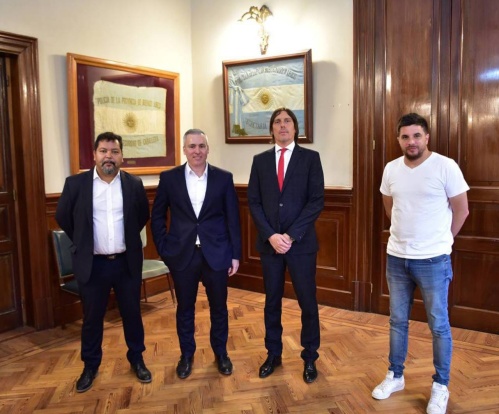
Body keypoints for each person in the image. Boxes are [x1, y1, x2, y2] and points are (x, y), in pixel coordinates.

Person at [372, 113, 469, 414]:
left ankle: (440, 385)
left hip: (433, 260)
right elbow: (390, 206)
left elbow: (462, 210)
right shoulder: (391, 169)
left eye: (416, 136)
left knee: (438, 324)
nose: (411, 142)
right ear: (398, 139)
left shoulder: (445, 166)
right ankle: (395, 375)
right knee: (397, 321)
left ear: (426, 137)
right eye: (405, 137)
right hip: (397, 258)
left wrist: (443, 240)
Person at [55, 132, 152, 393]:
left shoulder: (134, 184)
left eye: (114, 151)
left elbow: (142, 215)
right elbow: (63, 216)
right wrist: (84, 241)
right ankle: (90, 366)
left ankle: (137, 359)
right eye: (104, 151)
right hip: (93, 265)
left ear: (122, 156)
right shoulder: (76, 184)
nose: (109, 156)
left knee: (132, 314)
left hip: (126, 263)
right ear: (95, 155)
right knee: (92, 319)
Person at [151, 128, 241, 379]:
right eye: (192, 146)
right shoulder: (169, 179)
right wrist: (164, 249)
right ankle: (186, 355)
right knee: (185, 309)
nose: (197, 151)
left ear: (208, 149)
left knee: (219, 308)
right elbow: (157, 216)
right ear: (184, 149)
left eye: (201, 146)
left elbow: (233, 219)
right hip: (182, 255)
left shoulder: (223, 178)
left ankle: (221, 354)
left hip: (217, 254)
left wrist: (235, 254)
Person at [247, 107, 324, 383]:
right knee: (272, 302)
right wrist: (271, 236)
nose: (282, 125)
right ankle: (273, 354)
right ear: (271, 129)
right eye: (277, 122)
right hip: (270, 246)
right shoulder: (260, 161)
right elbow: (254, 202)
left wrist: (289, 236)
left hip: (300, 245)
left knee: (307, 302)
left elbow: (316, 201)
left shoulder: (310, 159)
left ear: (295, 128)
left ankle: (310, 357)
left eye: (287, 121)